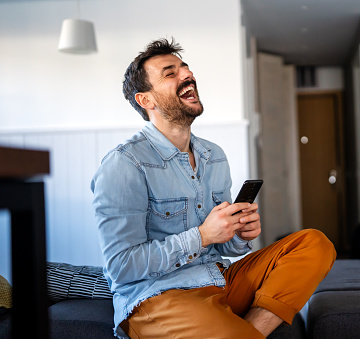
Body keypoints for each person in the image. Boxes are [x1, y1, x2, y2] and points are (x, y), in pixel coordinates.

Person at [91, 38, 336, 339]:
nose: (187, 74)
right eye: (170, 73)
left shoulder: (213, 155)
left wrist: (239, 234)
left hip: (219, 280)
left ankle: (248, 332)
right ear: (146, 100)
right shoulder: (124, 163)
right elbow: (121, 266)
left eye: (185, 68)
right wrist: (202, 235)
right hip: (158, 296)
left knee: (314, 244)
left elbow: (224, 247)